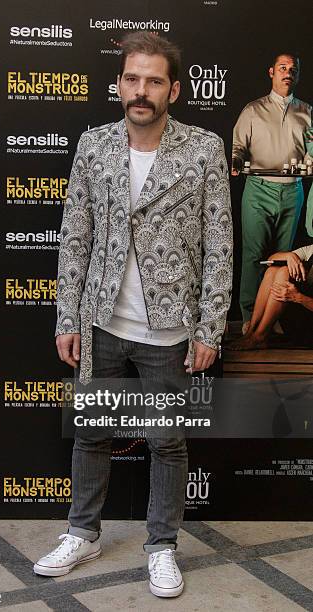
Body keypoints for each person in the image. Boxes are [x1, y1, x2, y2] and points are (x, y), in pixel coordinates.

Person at [34, 32, 232, 598]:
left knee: (167, 443)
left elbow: (220, 245)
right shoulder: (93, 145)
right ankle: (82, 533)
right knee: (91, 436)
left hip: (169, 332)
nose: (141, 90)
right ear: (119, 83)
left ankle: (162, 545)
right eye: (132, 78)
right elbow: (75, 238)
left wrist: (210, 325)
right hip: (101, 325)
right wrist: (66, 319)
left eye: (153, 80)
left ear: (173, 87)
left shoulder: (203, 149)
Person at [231, 53, 311, 334]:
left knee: (281, 257)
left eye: (293, 69)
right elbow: (239, 146)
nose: (287, 73)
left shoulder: (307, 112)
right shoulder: (253, 110)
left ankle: (271, 315)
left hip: (293, 191)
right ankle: (249, 316)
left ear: (297, 75)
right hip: (258, 189)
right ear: (271, 72)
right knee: (253, 254)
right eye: (282, 68)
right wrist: (237, 161)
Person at [228, 245, 313, 350]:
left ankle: (260, 336)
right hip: (301, 318)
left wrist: (298, 297)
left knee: (284, 271)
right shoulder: (310, 250)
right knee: (272, 270)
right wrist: (289, 256)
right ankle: (251, 332)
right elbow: (270, 261)